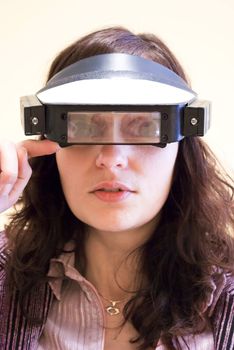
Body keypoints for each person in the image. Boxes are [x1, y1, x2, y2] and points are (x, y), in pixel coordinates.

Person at [0, 27, 233, 350]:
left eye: (144, 126)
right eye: (82, 126)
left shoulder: (227, 294)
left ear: (182, 147)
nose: (111, 159)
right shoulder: (4, 274)